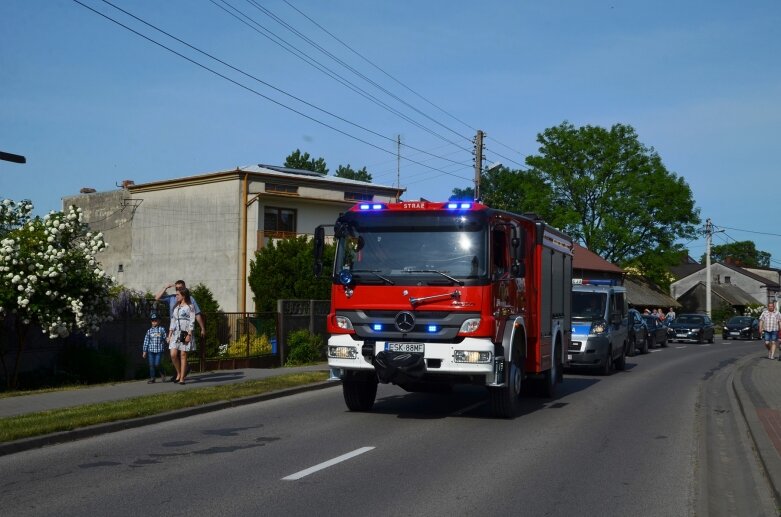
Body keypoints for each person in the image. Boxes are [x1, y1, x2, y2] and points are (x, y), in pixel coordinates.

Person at [155, 280, 206, 381]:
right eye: (177, 288)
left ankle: (180, 376)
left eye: (180, 288)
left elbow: (196, 315)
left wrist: (202, 328)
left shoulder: (190, 300)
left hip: (184, 330)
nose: (178, 290)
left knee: (182, 353)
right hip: (175, 329)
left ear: (185, 288)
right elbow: (157, 298)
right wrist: (165, 287)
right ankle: (180, 372)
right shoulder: (173, 298)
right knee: (173, 354)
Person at [168, 288, 196, 384]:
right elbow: (173, 321)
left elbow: (192, 321)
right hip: (176, 334)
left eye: (177, 295)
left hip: (185, 333)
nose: (176, 297)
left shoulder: (190, 307)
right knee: (173, 354)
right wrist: (169, 334)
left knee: (183, 355)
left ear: (183, 296)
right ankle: (179, 373)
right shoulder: (176, 308)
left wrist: (189, 334)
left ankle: (182, 378)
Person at [142, 312, 168, 383]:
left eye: (155, 320)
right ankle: (152, 378)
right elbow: (146, 341)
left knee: (157, 364)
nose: (154, 322)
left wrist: (167, 339)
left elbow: (165, 337)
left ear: (159, 321)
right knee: (151, 365)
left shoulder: (162, 329)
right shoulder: (149, 331)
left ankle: (162, 372)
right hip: (151, 351)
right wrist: (144, 351)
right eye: (152, 321)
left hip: (159, 351)